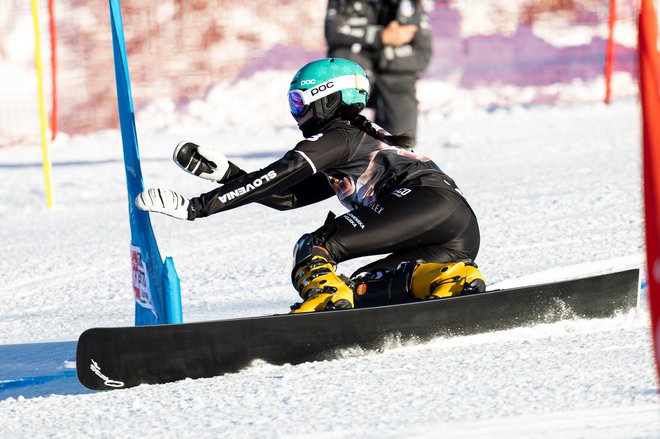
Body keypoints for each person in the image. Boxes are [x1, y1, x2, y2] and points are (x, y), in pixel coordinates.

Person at [136, 58, 484, 313]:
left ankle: (324, 304)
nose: (295, 113)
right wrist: (229, 173)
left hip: (422, 201)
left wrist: (197, 207)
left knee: (314, 247)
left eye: (299, 102)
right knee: (363, 286)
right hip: (458, 228)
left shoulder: (337, 136)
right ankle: (449, 279)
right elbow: (287, 197)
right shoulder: (356, 142)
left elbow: (280, 172)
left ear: (328, 98)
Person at [325, 0, 433, 140]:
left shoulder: (411, 4)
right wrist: (380, 36)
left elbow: (423, 55)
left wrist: (382, 55)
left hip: (394, 79)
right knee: (341, 61)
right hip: (357, 74)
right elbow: (333, 33)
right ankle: (337, 140)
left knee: (402, 142)